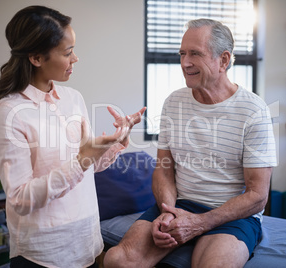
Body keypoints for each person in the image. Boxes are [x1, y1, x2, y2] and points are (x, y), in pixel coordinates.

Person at [0, 5, 145, 268]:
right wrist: (81, 160)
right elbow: (21, 199)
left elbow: (87, 168)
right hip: (44, 255)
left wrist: (116, 142)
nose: (75, 58)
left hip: (87, 244)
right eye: (68, 52)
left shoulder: (73, 99)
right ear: (36, 58)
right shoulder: (10, 113)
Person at [104, 18, 277, 268]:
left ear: (224, 60)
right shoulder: (173, 103)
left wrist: (199, 223)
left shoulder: (253, 110)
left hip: (231, 215)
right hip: (180, 204)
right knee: (117, 260)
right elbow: (164, 169)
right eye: (182, 53)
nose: (185, 63)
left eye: (195, 54)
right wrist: (167, 210)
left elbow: (257, 196)